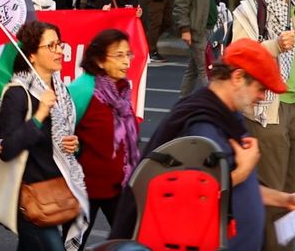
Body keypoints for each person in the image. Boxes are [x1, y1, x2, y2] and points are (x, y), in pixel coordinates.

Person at [110, 38, 295, 250]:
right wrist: (242, 172)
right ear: (237, 77)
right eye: (260, 88)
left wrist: (284, 200)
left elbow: (236, 187)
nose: (263, 97)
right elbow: (187, 195)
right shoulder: (202, 127)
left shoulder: (227, 117)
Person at [0, 20, 87, 250]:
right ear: (32, 55)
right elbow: (7, 150)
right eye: (51, 46)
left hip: (59, 190)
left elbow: (67, 142)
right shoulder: (18, 94)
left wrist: (74, 144)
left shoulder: (61, 92)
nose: (59, 51)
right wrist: (39, 115)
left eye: (59, 44)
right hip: (32, 197)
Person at [231, 0, 295, 251]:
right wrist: (275, 45)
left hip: (293, 106)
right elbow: (237, 55)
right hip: (269, 109)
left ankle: (287, 242)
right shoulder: (251, 8)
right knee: (274, 190)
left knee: (292, 192)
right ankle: (274, 247)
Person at [71, 29, 139, 248]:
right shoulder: (81, 89)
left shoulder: (123, 91)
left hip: (119, 187)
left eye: (128, 54)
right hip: (83, 191)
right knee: (73, 245)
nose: (126, 61)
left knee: (131, 243)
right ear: (100, 61)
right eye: (119, 55)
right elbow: (58, 132)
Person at [174, 0, 238, 98]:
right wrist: (185, 29)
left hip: (210, 29)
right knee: (206, 70)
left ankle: (182, 103)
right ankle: (213, 105)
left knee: (193, 70)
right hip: (197, 30)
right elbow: (181, 5)